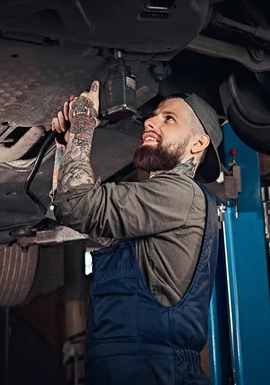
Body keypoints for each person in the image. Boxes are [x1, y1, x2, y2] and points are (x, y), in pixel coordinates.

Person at [51, 80, 223, 385]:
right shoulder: (159, 209)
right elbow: (71, 210)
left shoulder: (182, 194)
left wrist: (84, 120)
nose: (150, 121)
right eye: (153, 115)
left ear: (198, 144)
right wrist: (66, 146)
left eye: (169, 118)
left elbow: (74, 204)